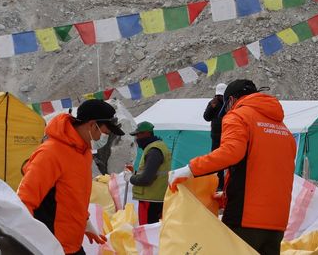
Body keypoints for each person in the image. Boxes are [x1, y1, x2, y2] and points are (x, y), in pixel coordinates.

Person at [179, 79, 296, 255]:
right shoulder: (283, 129)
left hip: (245, 218)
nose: (226, 110)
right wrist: (226, 195)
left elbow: (230, 152)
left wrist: (190, 169)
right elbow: (263, 171)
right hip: (276, 222)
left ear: (232, 100)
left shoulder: (238, 116)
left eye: (226, 105)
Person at [18, 99, 123, 255]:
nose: (104, 138)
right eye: (105, 132)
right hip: (52, 246)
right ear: (92, 125)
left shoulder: (84, 153)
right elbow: (24, 200)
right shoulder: (50, 154)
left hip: (72, 242)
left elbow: (75, 195)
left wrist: (85, 223)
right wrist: (31, 244)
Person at [126, 121, 170, 225]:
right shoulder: (157, 147)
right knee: (153, 231)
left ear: (146, 133)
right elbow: (153, 172)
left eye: (138, 135)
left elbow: (146, 179)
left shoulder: (154, 151)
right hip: (156, 198)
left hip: (151, 200)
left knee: (146, 230)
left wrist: (130, 178)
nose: (136, 138)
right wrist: (135, 172)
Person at [203, 82, 228, 188]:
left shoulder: (230, 103)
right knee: (217, 160)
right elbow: (206, 117)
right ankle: (219, 184)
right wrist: (211, 108)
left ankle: (227, 183)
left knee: (228, 160)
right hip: (217, 137)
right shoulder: (213, 103)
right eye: (219, 96)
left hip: (227, 136)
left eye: (221, 95)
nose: (220, 97)